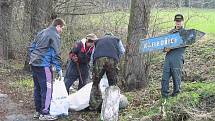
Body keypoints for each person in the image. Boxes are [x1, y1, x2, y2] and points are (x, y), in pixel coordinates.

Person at [29, 18, 65, 120]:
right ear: (58, 26)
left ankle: (38, 111)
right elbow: (56, 53)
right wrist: (58, 68)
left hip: (34, 63)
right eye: (61, 28)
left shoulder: (42, 32)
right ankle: (45, 113)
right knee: (47, 89)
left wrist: (32, 58)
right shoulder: (55, 35)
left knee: (37, 88)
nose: (61, 30)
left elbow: (32, 47)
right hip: (43, 65)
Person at [89, 33, 125, 111]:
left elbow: (92, 55)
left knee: (96, 83)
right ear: (112, 35)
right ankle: (112, 105)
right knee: (113, 83)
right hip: (112, 59)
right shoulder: (116, 39)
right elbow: (122, 51)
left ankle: (94, 106)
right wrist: (116, 58)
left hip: (99, 59)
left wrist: (91, 67)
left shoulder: (98, 41)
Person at [161, 14, 186, 98]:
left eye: (180, 21)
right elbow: (163, 47)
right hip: (168, 58)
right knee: (165, 77)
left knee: (176, 77)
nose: (178, 23)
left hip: (177, 58)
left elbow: (185, 44)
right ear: (175, 22)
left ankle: (176, 95)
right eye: (177, 21)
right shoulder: (170, 32)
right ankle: (164, 96)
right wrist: (165, 49)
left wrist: (171, 47)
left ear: (182, 22)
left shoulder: (185, 33)